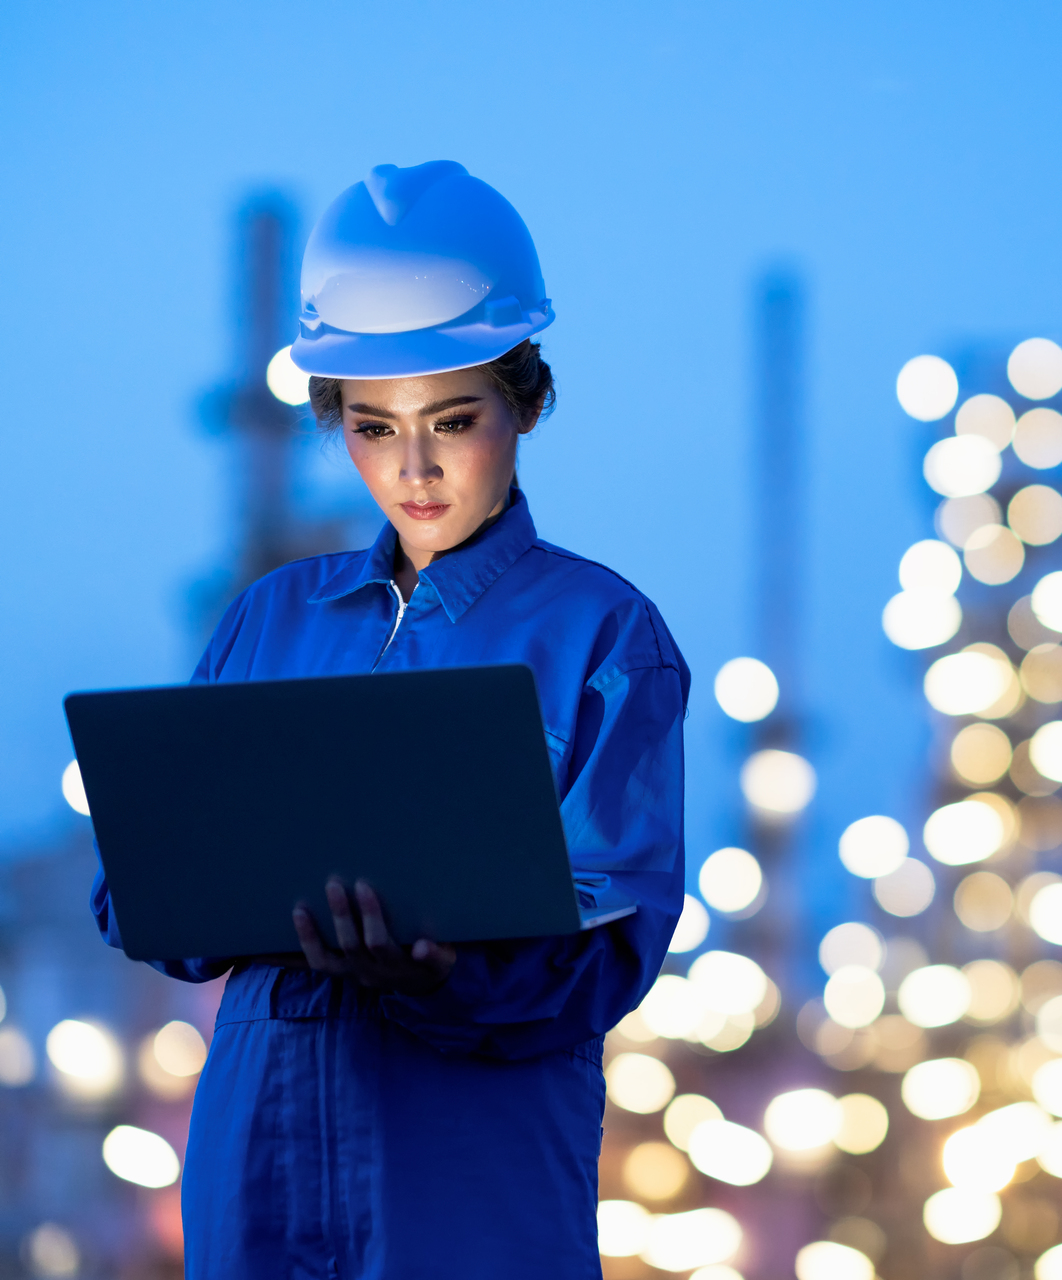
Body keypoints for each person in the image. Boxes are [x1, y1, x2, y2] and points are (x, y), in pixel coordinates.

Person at [89, 161, 687, 1278]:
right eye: (372, 426)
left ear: (526, 400)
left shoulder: (602, 635)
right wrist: (173, 879)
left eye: (452, 419)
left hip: (465, 1170)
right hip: (256, 1156)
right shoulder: (271, 620)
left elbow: (614, 944)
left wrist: (441, 974)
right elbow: (144, 907)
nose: (411, 467)